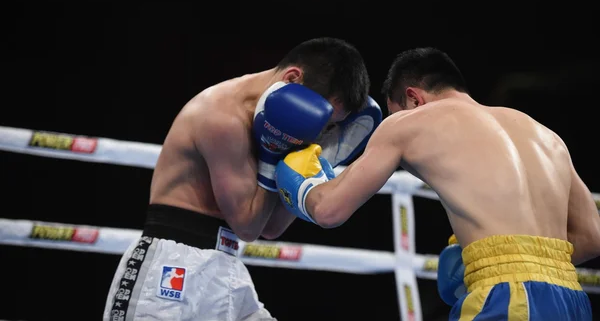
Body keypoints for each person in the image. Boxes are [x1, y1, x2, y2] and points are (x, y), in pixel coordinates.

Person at [275, 47, 600, 320]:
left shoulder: (409, 122)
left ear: (413, 99)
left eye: (395, 112)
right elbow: (592, 237)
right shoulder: (546, 136)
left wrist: (301, 181)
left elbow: (329, 209)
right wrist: (512, 258)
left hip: (508, 298)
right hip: (572, 298)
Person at [102, 37, 382, 321]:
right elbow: (248, 225)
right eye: (323, 121)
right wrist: (275, 154)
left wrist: (320, 161)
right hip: (172, 268)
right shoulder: (221, 117)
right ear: (293, 79)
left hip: (226, 266)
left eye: (330, 125)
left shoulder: (287, 127)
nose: (320, 130)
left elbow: (271, 227)